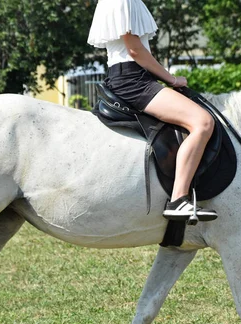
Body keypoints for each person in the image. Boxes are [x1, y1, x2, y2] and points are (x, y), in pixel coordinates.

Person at [88, 0, 218, 222]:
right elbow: (135, 50)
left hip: (130, 76)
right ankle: (178, 200)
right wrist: (171, 78)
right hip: (133, 79)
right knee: (203, 122)